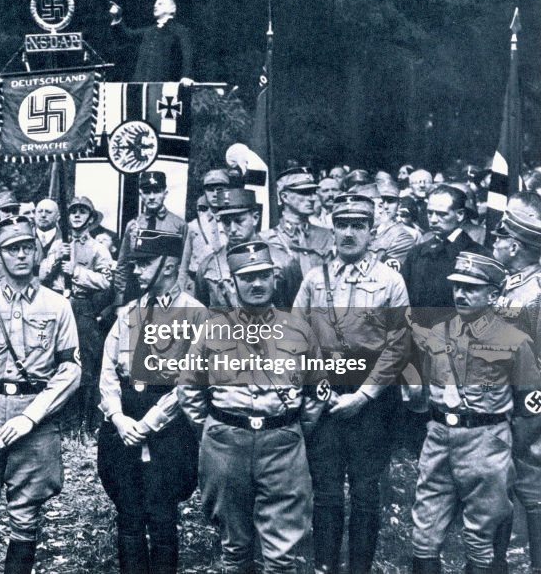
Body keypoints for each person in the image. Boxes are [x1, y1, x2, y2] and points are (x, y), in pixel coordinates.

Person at [179, 241, 325, 574]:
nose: (256, 284)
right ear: (232, 283)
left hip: (282, 444)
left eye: (262, 276)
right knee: (234, 546)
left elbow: (317, 391)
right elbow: (189, 388)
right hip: (226, 443)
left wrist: (290, 428)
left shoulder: (299, 330)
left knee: (281, 553)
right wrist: (214, 428)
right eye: (247, 278)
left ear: (275, 278)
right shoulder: (212, 329)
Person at [0, 216, 81, 574]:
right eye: (11, 249)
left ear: (37, 251)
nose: (20, 255)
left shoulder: (57, 305)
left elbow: (69, 370)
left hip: (34, 419)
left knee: (25, 516)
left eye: (27, 247)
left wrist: (30, 416)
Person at [292, 193, 410, 574]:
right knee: (325, 492)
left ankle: (359, 567)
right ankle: (325, 565)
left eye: (357, 225)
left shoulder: (390, 280)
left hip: (373, 400)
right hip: (324, 397)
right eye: (341, 224)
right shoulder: (314, 278)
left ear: (371, 231)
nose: (348, 233)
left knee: (364, 492)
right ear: (332, 228)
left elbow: (399, 344)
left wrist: (364, 395)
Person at [408, 252, 541, 574]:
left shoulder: (515, 340)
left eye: (472, 288)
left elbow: (531, 407)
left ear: (493, 295)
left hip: (486, 443)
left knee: (481, 539)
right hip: (439, 440)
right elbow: (425, 391)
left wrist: (506, 448)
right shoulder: (438, 333)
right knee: (423, 535)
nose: (461, 294)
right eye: (457, 287)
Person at [98, 229, 197, 573]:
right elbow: (108, 370)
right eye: (136, 264)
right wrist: (117, 417)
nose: (137, 271)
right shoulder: (128, 313)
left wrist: (150, 423)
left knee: (162, 514)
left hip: (168, 427)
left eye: (145, 263)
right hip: (124, 422)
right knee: (128, 512)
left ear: (169, 266)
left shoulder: (195, 314)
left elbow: (190, 381)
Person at [491, 200, 541, 574]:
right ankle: (496, 564)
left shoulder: (536, 291)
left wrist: (529, 417)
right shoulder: (509, 283)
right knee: (501, 487)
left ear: (515, 245)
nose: (495, 241)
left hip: (527, 406)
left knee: (532, 489)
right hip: (500, 402)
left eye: (501, 237)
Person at [40, 196, 113, 434]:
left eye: (83, 212)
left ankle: (87, 422)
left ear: (90, 218)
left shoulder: (97, 248)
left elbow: (107, 281)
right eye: (73, 212)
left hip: (82, 308)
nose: (77, 216)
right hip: (56, 305)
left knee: (86, 364)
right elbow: (40, 275)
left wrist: (78, 272)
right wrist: (53, 260)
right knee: (57, 362)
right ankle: (63, 421)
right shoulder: (56, 244)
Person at [196, 188, 303, 309]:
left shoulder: (284, 263)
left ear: (255, 218)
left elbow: (297, 314)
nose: (232, 229)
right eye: (226, 222)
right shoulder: (209, 265)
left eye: (239, 221)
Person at [402, 185, 484, 327]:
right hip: (416, 335)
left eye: (442, 214)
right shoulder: (416, 253)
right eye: (430, 213)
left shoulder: (476, 254)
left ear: (460, 215)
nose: (433, 220)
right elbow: (403, 299)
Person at [113, 171, 186, 308]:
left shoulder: (178, 225)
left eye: (157, 191)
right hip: (136, 291)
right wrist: (119, 300)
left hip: (165, 292)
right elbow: (122, 264)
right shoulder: (133, 225)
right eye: (147, 192)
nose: (152, 197)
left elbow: (182, 266)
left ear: (165, 192)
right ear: (141, 194)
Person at [262, 167, 335, 277]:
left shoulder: (326, 235)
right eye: (304, 192)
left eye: (313, 192)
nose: (312, 198)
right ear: (284, 197)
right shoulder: (267, 239)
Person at [109, 0, 194, 83]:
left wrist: (186, 76)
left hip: (165, 84)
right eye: (155, 4)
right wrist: (117, 17)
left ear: (172, 9)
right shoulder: (149, 31)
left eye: (160, 4)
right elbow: (127, 36)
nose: (155, 6)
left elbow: (187, 55)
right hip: (141, 84)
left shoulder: (180, 30)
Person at [180, 170, 229, 295]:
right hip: (196, 287)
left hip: (226, 287)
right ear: (205, 192)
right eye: (210, 190)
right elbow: (183, 266)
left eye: (219, 189)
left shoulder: (234, 224)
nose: (214, 194)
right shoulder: (194, 226)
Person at [364, 180, 415, 269]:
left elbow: (386, 274)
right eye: (381, 202)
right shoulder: (368, 231)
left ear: (399, 205)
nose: (385, 206)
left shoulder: (403, 237)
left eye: (390, 201)